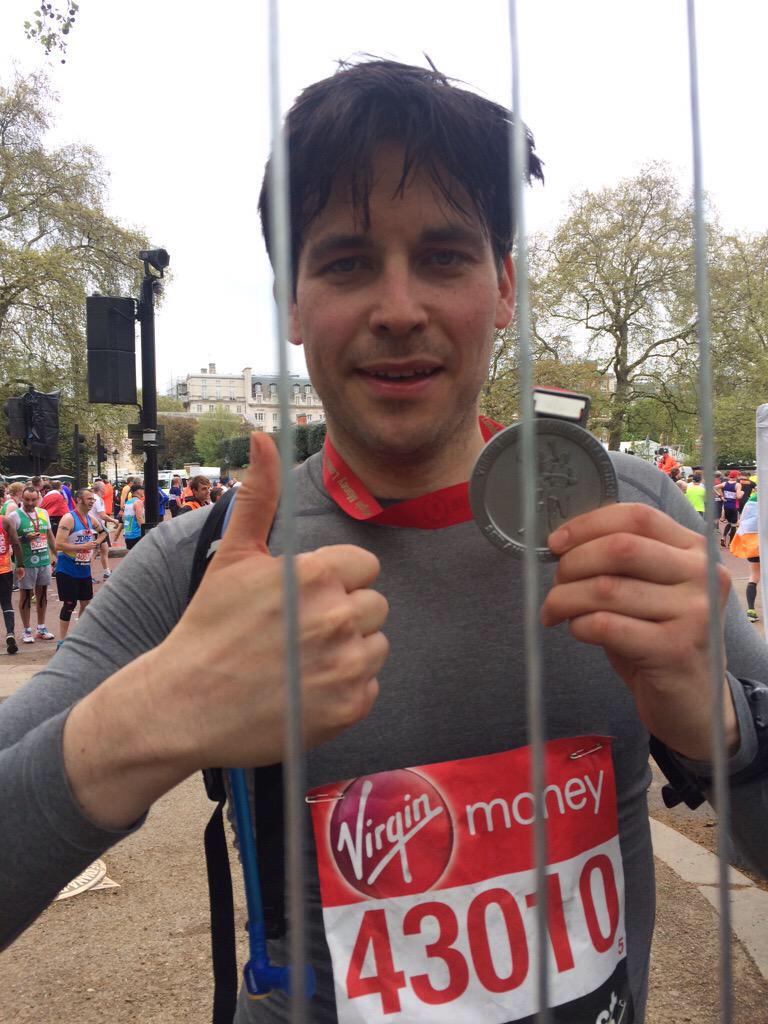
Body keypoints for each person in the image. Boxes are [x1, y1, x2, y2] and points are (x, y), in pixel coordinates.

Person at [1, 59, 767, 1024]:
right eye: (348, 262)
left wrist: (723, 727)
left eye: (444, 257)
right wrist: (134, 726)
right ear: (289, 301)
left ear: (503, 289)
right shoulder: (198, 571)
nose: (398, 308)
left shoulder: (635, 516)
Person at [54, 488, 107, 640]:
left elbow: (104, 532)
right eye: (89, 498)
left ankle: (79, 637)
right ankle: (62, 640)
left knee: (85, 603)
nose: (92, 501)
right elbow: (58, 544)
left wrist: (96, 541)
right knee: (69, 604)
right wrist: (82, 547)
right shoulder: (68, 519)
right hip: (67, 568)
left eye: (93, 499)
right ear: (78, 499)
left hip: (83, 568)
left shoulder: (91, 519)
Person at [8, 486, 57, 643]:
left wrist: (56, 555)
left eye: (33, 499)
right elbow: (11, 541)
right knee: (26, 596)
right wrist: (25, 538)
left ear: (38, 498)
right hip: (26, 562)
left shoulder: (43, 513)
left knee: (42, 594)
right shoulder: (15, 516)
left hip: (43, 559)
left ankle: (41, 628)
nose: (30, 502)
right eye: (27, 499)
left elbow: (49, 535)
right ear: (22, 498)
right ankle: (27, 630)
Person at [730, 485, 760, 622]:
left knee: (754, 575)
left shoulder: (751, 501)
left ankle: (751, 610)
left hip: (753, 542)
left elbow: (742, 522)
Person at [0, 511, 24, 654]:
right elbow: (16, 544)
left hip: (5, 569)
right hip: (4, 569)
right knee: (6, 603)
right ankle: (10, 633)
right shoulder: (5, 521)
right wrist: (20, 565)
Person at [90, 479, 119, 581]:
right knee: (94, 552)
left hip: (99, 528)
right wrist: (113, 520)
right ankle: (87, 575)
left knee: (104, 549)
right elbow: (102, 515)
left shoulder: (93, 498)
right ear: (101, 489)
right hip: (96, 529)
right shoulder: (97, 499)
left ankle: (107, 571)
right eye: (104, 487)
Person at [721, 469, 743, 548]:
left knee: (729, 523)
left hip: (726, 505)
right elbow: (738, 496)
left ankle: (723, 537)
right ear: (736, 476)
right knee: (733, 525)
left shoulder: (724, 483)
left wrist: (721, 496)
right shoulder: (737, 485)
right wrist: (742, 493)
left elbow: (714, 487)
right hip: (734, 506)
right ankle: (731, 543)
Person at [122, 483, 145, 550]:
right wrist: (144, 531)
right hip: (137, 534)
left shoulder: (128, 502)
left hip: (128, 535)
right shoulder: (138, 502)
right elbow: (139, 518)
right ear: (138, 491)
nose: (143, 491)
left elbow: (124, 518)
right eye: (142, 490)